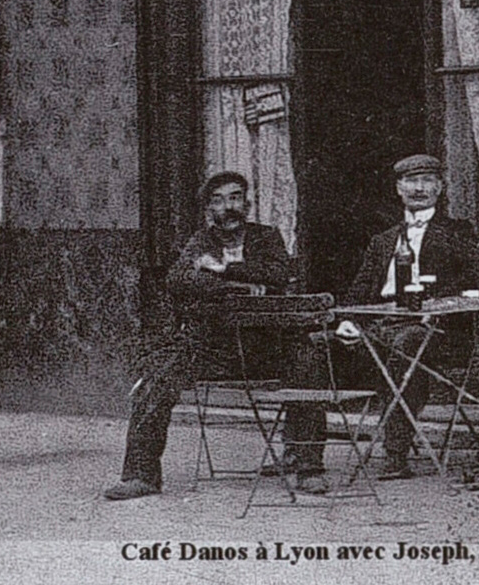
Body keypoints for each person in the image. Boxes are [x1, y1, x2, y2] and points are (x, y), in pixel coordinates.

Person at [105, 169, 329, 499]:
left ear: (248, 204)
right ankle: (141, 475)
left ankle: (308, 466)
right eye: (219, 200)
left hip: (268, 345)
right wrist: (237, 286)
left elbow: (280, 274)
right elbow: (179, 280)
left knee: (308, 360)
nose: (228, 207)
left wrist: (224, 269)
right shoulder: (200, 242)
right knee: (154, 377)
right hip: (212, 347)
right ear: (210, 209)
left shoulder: (267, 237)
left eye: (235, 197)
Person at [333, 153, 479, 479]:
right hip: (380, 325)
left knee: (408, 343)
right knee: (314, 345)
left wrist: (437, 306)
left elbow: (475, 281)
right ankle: (302, 459)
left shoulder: (457, 231)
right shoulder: (382, 240)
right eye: (411, 182)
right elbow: (359, 290)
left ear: (441, 187)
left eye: (427, 181)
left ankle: (395, 452)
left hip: (435, 329)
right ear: (399, 189)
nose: (419, 188)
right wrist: (349, 321)